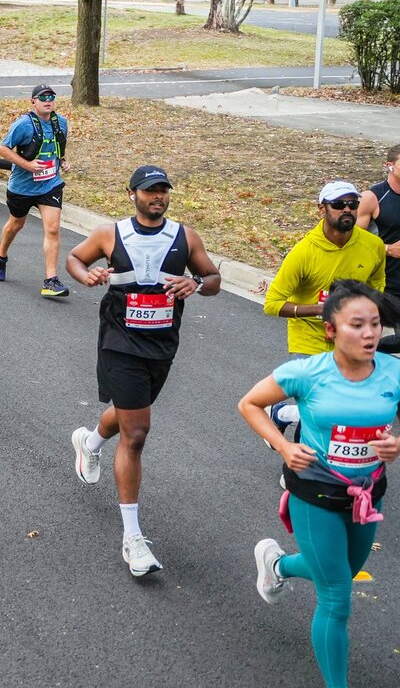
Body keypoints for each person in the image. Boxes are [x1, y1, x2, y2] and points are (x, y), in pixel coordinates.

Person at [238, 279, 400, 688]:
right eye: (357, 325)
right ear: (331, 329)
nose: (369, 334)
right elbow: (249, 403)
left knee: (342, 571)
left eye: (375, 325)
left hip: (366, 495)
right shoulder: (306, 373)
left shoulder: (394, 372)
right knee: (337, 597)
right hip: (314, 494)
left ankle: (277, 565)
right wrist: (282, 447)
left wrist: (396, 445)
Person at [66, 164, 221, 578]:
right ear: (131, 194)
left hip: (161, 345)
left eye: (164, 190)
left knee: (131, 410)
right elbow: (74, 259)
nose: (159, 197)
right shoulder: (110, 233)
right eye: (150, 190)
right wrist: (87, 275)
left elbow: (213, 277)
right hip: (119, 342)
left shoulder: (185, 237)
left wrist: (197, 285)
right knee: (136, 433)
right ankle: (133, 538)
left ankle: (91, 443)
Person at [263, 180, 386, 450]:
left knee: (341, 405)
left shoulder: (373, 245)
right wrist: (322, 310)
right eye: (338, 204)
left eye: (353, 205)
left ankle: (283, 413)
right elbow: (272, 304)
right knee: (320, 408)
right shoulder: (304, 252)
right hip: (310, 339)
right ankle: (300, 473)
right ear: (322, 208)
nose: (347, 210)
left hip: (350, 340)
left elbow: (377, 283)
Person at [0, 84, 70, 296]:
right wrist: (28, 165)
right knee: (16, 224)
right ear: (33, 102)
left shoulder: (61, 123)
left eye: (51, 97)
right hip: (22, 187)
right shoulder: (23, 125)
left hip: (50, 185)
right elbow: (3, 148)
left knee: (53, 228)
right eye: (43, 97)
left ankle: (50, 280)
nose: (48, 100)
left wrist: (64, 161)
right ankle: (1, 257)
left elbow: (59, 148)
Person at [357, 144, 400, 298]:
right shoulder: (371, 198)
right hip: (385, 287)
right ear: (390, 166)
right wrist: (387, 249)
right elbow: (352, 243)